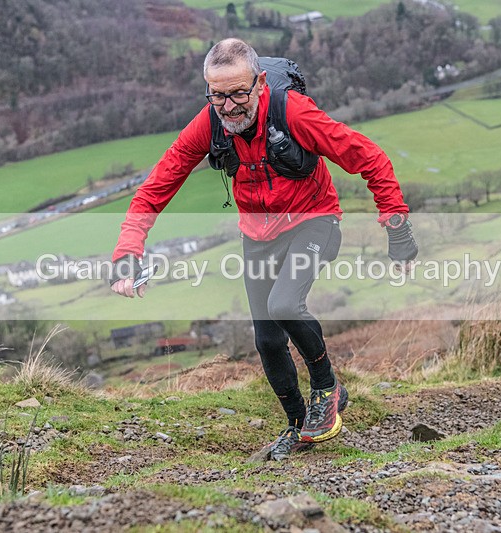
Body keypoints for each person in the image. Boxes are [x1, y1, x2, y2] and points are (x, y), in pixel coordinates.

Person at [110, 38, 418, 460]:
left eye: (238, 93)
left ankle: (327, 387)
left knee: (285, 303)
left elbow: (370, 157)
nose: (228, 106)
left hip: (315, 220)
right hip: (257, 235)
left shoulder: (294, 113)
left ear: (258, 84)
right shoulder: (209, 124)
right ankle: (297, 425)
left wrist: (396, 226)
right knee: (267, 341)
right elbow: (152, 192)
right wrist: (128, 253)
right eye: (217, 95)